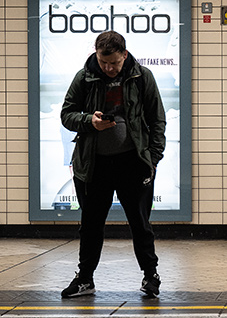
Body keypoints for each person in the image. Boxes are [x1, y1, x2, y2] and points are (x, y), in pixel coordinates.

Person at [60, 31, 167, 298]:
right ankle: (85, 279)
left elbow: (157, 120)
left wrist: (152, 158)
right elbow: (66, 114)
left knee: (140, 223)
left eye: (114, 63)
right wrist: (89, 121)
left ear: (125, 55)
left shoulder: (142, 77)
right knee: (91, 224)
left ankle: (150, 277)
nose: (109, 68)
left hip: (133, 162)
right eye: (104, 62)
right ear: (96, 54)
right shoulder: (84, 78)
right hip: (94, 165)